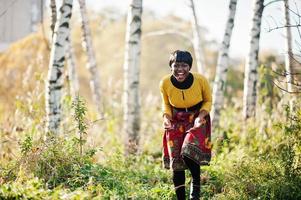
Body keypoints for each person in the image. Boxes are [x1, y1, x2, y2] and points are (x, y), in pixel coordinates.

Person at [160, 50, 212, 200]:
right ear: (171, 66)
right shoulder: (164, 82)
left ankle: (194, 193)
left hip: (197, 118)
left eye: (184, 66)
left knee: (188, 153)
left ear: (189, 67)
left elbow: (208, 100)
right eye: (176, 65)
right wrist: (166, 117)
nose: (180, 70)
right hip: (175, 119)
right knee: (176, 164)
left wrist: (201, 116)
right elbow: (166, 103)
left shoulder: (201, 80)